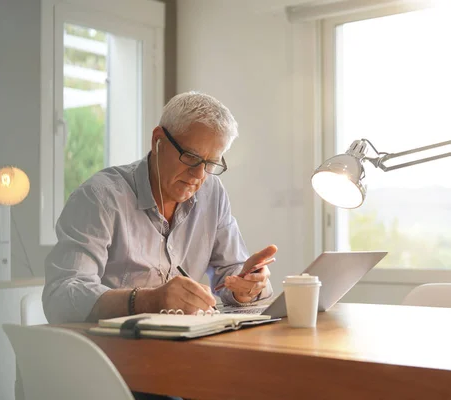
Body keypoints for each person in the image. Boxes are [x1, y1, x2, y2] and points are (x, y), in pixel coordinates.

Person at [43, 92, 276, 398]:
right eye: (191, 157)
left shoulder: (213, 194)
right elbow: (61, 296)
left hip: (188, 361)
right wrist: (148, 300)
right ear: (158, 141)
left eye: (210, 163)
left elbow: (231, 272)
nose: (198, 176)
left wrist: (249, 286)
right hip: (113, 371)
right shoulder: (100, 198)